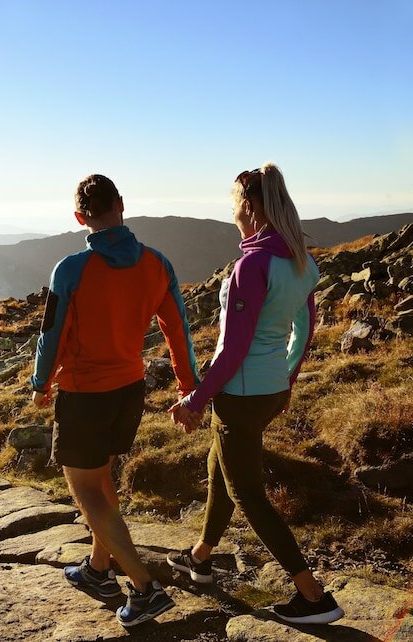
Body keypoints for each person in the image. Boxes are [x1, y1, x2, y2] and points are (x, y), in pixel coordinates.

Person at [168, 163, 344, 625]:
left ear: (247, 207)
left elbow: (233, 348)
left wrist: (196, 399)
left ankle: (313, 596)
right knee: (220, 465)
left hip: (240, 393)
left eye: (233, 204)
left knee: (247, 492)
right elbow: (303, 329)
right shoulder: (300, 261)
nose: (231, 212)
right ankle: (201, 559)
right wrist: (287, 380)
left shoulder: (252, 264)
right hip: (268, 390)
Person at [31, 174, 199, 628]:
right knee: (102, 481)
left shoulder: (70, 269)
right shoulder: (158, 264)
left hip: (85, 393)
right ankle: (98, 570)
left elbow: (51, 333)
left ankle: (144, 588)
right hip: (129, 389)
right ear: (122, 205)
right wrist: (189, 388)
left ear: (80, 217)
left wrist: (40, 383)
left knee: (87, 492)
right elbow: (177, 330)